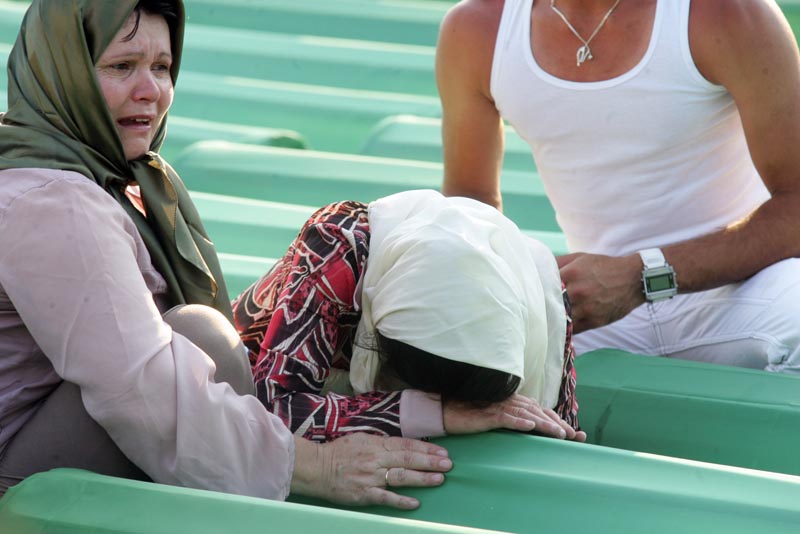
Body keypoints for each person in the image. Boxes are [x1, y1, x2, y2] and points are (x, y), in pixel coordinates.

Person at [0, 0, 454, 510]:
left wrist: (430, 406)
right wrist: (315, 467)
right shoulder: (52, 201)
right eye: (120, 66)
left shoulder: (120, 182)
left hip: (47, 447)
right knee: (201, 339)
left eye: (162, 67)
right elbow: (139, 388)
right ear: (63, 72)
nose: (150, 90)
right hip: (17, 489)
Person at [436, 0, 800, 372]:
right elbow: (471, 209)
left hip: (741, 289)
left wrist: (641, 274)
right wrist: (527, 284)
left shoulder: (730, 12)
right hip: (593, 310)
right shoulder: (476, 28)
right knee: (432, 347)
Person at [233, 189, 586, 443]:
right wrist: (434, 413)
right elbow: (272, 410)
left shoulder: (542, 289)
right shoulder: (340, 247)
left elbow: (559, 431)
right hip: (232, 385)